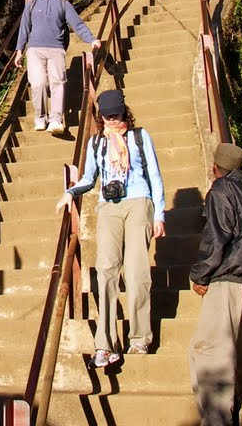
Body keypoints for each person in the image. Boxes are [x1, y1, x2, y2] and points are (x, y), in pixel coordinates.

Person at [55, 90, 165, 366]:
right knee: (106, 272)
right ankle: (105, 343)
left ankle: (139, 338)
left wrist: (159, 214)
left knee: (138, 272)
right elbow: (89, 177)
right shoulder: (96, 144)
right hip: (108, 206)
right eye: (107, 116)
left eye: (116, 115)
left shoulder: (140, 137)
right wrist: (70, 192)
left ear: (124, 112)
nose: (113, 121)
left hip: (138, 202)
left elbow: (154, 174)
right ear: (100, 117)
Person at [189, 143, 242, 426]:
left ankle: (216, 419)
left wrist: (200, 274)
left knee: (212, 352)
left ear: (215, 167)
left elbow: (217, 236)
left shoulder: (221, 191)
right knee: (217, 347)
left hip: (225, 277)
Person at [14, 0, 101, 134]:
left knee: (57, 82)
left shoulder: (63, 4)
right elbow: (24, 29)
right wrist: (19, 50)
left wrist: (92, 40)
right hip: (34, 49)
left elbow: (78, 25)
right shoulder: (31, 5)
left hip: (56, 49)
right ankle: (40, 118)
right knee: (38, 83)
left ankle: (55, 119)